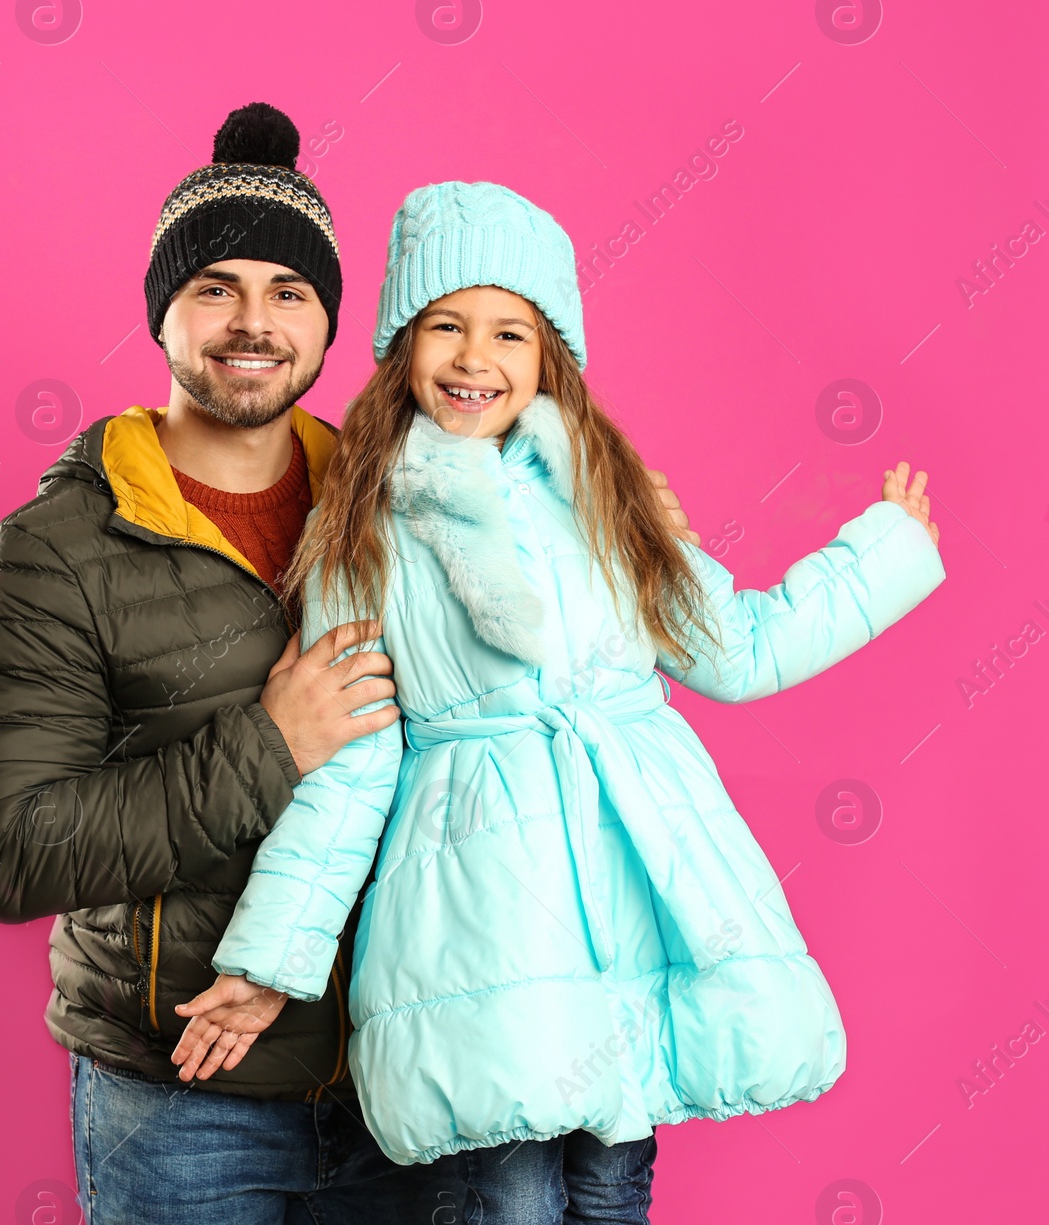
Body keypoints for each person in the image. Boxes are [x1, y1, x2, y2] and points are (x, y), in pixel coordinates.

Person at [0, 105, 699, 1224]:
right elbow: (12, 850)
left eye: (287, 292)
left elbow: (561, 715)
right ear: (163, 313)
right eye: (216, 289)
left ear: (330, 322)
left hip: (407, 1076)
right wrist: (268, 744)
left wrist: (619, 558)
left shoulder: (411, 504)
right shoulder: (56, 551)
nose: (253, 323)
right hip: (186, 1101)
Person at [170, 180, 946, 1224]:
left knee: (612, 1182)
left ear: (549, 360)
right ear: (403, 345)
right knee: (509, 1190)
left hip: (631, 885)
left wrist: (882, 556)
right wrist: (273, 957)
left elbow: (739, 646)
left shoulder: (609, 499)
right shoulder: (364, 528)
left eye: (508, 332)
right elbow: (351, 758)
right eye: (445, 325)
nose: (473, 358)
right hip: (477, 911)